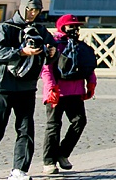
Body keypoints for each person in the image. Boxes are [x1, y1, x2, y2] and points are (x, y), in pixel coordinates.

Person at [0, 0, 53, 180]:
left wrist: (51, 51)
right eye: (30, 10)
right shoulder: (5, 27)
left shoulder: (40, 30)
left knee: (26, 129)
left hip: (27, 86)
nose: (33, 14)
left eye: (37, 10)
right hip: (2, 86)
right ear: (23, 8)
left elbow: (53, 47)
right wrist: (21, 52)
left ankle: (19, 170)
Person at [39, 15, 95, 175]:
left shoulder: (81, 46)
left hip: (75, 91)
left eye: (77, 27)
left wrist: (91, 83)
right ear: (62, 27)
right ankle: (49, 161)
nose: (75, 30)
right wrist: (51, 88)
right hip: (57, 91)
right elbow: (46, 68)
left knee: (79, 121)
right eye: (71, 26)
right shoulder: (54, 45)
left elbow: (88, 65)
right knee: (53, 126)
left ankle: (62, 153)